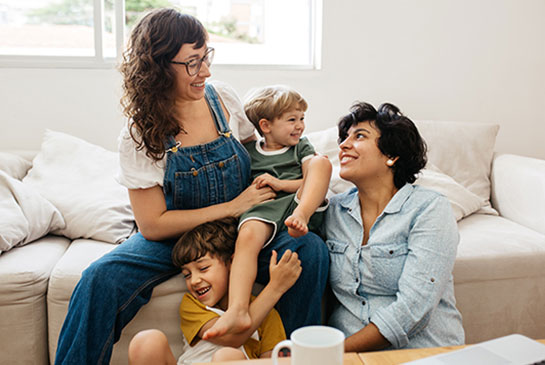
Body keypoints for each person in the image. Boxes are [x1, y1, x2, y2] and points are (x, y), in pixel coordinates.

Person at [54, 8, 328, 364]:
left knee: (309, 250)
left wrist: (285, 189)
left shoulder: (223, 99)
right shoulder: (140, 134)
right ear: (158, 67)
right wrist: (232, 206)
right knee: (98, 280)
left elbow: (260, 154)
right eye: (193, 63)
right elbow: (152, 224)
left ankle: (296, 359)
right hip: (174, 238)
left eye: (206, 57)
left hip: (242, 227)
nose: (206, 72)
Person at [324, 102, 465, 352]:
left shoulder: (430, 208)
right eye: (344, 138)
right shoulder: (333, 211)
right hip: (352, 358)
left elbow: (413, 309)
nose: (344, 145)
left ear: (391, 155)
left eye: (359, 136)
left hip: (424, 353)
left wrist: (330, 353)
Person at [204, 85, 332, 339]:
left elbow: (311, 179)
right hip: (265, 207)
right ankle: (238, 309)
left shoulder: (301, 148)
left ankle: (303, 217)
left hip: (297, 203)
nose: (300, 126)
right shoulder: (249, 152)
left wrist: (282, 184)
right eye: (292, 120)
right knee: (248, 235)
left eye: (302, 119)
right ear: (265, 126)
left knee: (321, 162)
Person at [128, 218, 300, 364]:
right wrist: (275, 288)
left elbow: (272, 360)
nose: (194, 281)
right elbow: (230, 338)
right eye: (186, 275)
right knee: (146, 341)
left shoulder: (268, 315)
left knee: (227, 357)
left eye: (203, 268)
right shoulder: (193, 304)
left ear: (232, 263)